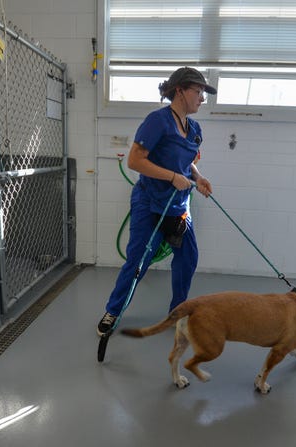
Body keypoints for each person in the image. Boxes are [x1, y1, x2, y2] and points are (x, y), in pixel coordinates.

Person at [97, 67, 216, 336]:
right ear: (180, 90)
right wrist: (173, 177)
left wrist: (199, 178)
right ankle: (113, 311)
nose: (202, 98)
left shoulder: (194, 128)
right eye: (198, 92)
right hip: (150, 203)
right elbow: (135, 161)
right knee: (138, 261)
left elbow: (188, 166)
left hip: (179, 206)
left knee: (188, 258)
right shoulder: (157, 121)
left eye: (203, 93)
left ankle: (178, 312)